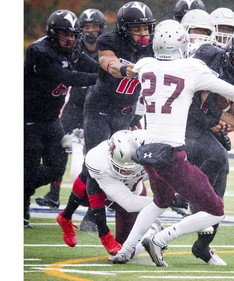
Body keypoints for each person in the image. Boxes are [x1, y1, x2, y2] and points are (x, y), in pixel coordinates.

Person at [108, 19, 234, 266]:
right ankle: (161, 239)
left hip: (148, 153)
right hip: (173, 156)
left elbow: (130, 69)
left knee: (160, 201)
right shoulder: (192, 68)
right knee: (216, 210)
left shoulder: (145, 65)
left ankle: (125, 250)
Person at [61, 1, 156, 254]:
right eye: (137, 29)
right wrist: (127, 69)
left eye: (146, 29)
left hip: (124, 113)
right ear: (125, 29)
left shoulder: (153, 47)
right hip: (99, 110)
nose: (143, 35)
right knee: (98, 168)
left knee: (91, 169)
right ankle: (104, 234)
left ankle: (66, 215)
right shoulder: (110, 40)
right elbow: (108, 63)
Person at [185, 31, 234, 265]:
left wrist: (219, 123)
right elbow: (187, 96)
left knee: (221, 165)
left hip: (206, 123)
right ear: (228, 54)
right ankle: (189, 199)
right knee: (215, 158)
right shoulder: (207, 55)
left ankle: (204, 241)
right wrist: (216, 119)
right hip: (183, 117)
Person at [24, 9, 99, 228]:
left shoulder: (74, 50)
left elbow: (92, 66)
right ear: (52, 33)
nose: (71, 39)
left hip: (50, 119)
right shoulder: (40, 51)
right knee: (29, 165)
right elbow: (67, 77)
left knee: (56, 168)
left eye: (74, 35)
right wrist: (101, 79)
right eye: (65, 34)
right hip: (27, 118)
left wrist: (111, 73)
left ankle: (21, 186)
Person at [56, 129, 162, 255]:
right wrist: (166, 201)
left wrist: (172, 194)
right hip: (115, 194)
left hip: (135, 191)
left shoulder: (150, 145)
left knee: (125, 252)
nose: (127, 172)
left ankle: (152, 232)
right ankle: (99, 232)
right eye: (122, 168)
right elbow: (129, 203)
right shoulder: (99, 159)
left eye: (131, 167)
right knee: (88, 178)